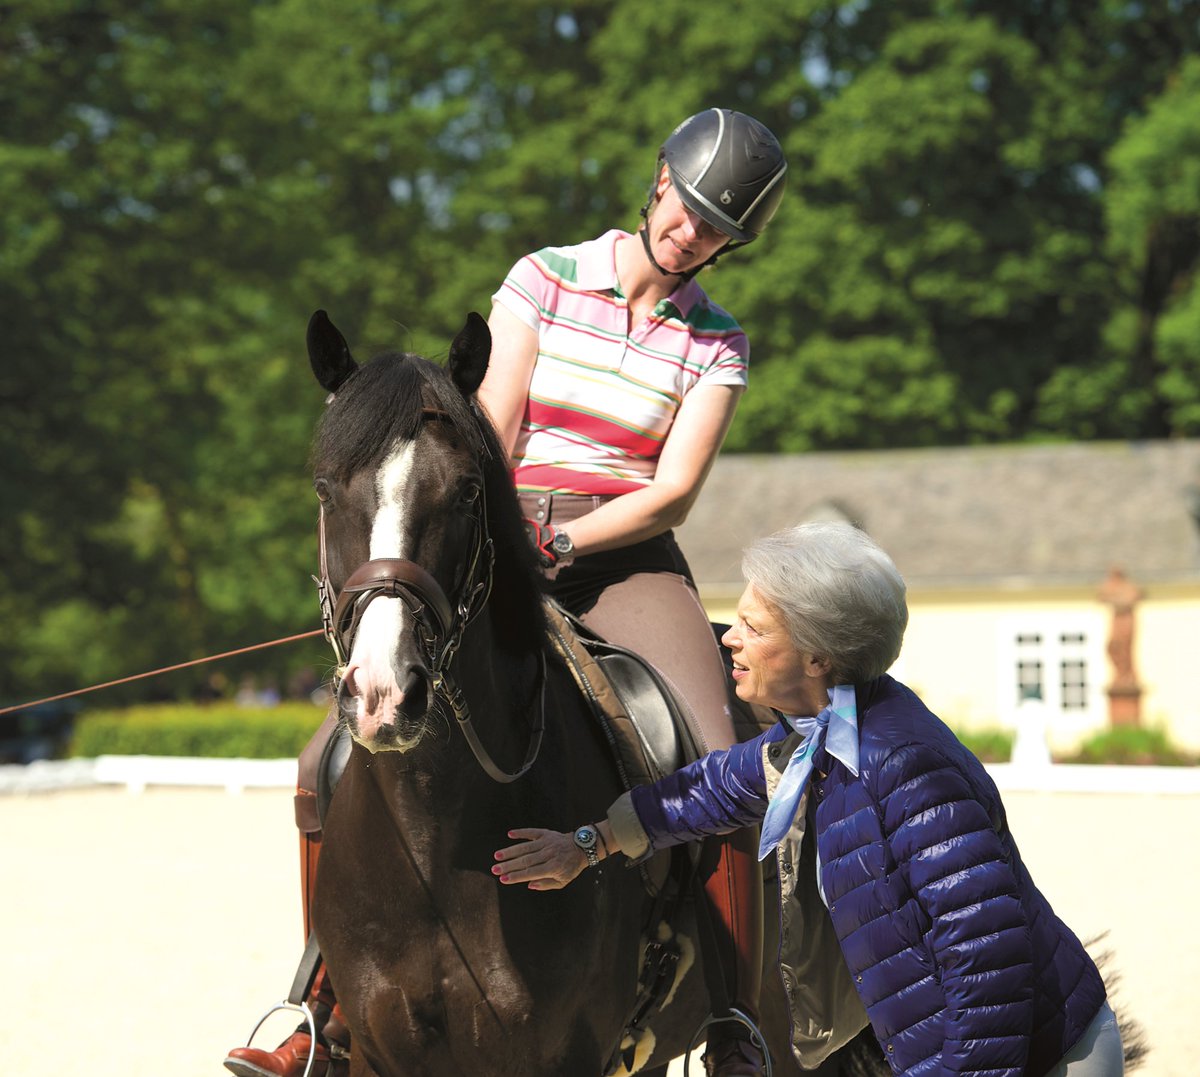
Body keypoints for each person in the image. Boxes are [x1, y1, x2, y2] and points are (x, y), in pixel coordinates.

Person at [224, 107, 787, 1077]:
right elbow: (490, 422)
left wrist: (565, 538)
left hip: (627, 558)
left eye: (717, 229)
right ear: (659, 181)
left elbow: (674, 491)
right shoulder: (545, 277)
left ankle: (734, 1017)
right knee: (328, 758)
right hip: (491, 538)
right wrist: (498, 533)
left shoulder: (717, 341)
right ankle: (321, 1008)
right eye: (688, 207)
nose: (692, 233)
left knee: (714, 755)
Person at [494, 522, 1125, 1077]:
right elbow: (713, 789)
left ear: (819, 656)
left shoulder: (905, 766)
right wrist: (591, 842)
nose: (729, 639)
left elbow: (987, 961)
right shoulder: (820, 733)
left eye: (754, 628)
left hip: (1041, 1058)